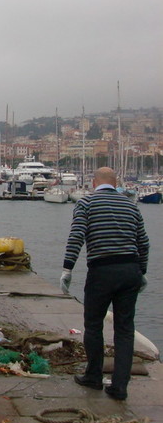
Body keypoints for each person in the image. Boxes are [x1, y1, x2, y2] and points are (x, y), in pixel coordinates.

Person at [60, 167, 149, 401]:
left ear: (94, 182)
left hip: (102, 270)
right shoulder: (131, 205)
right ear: (115, 182)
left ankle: (93, 376)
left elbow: (76, 236)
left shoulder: (86, 203)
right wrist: (142, 271)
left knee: (93, 324)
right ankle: (120, 386)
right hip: (130, 270)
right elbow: (143, 241)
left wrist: (67, 269)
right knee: (124, 329)